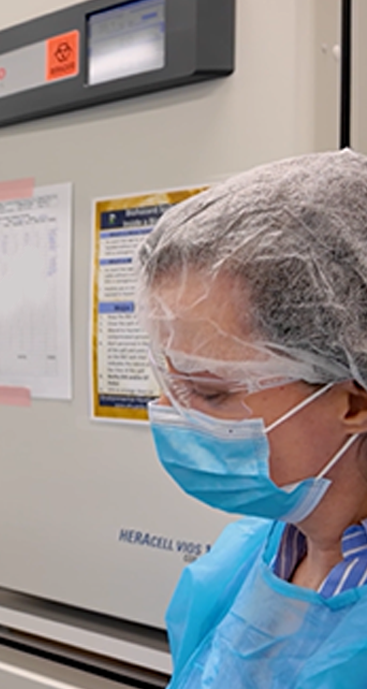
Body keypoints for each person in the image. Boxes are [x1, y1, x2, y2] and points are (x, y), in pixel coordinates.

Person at [135, 149, 367, 688]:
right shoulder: (257, 553)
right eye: (168, 382)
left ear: (355, 401)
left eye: (210, 392)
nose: (172, 414)